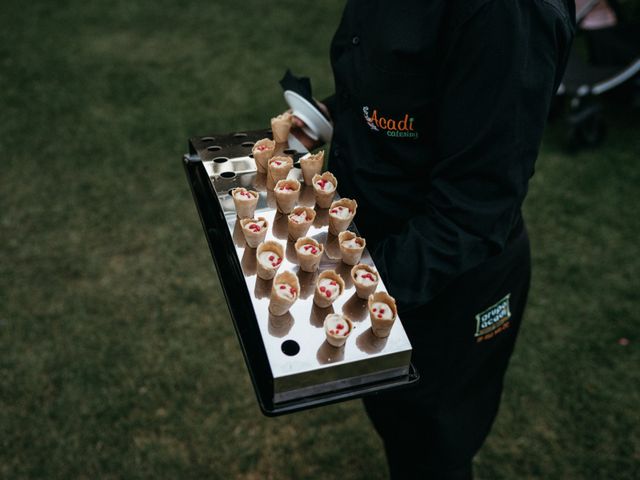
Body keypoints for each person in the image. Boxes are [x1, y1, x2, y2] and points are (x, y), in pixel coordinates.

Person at [291, 1, 575, 478]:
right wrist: (333, 113)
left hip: (447, 286)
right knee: (396, 418)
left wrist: (352, 296)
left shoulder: (506, 17)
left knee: (431, 446)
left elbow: (474, 211)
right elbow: (402, 88)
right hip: (376, 255)